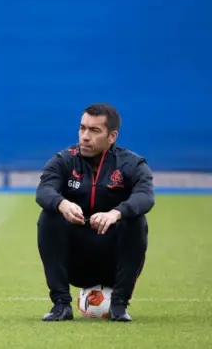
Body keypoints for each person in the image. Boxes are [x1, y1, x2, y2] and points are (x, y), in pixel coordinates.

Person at [35, 103, 154, 322]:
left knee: (136, 221)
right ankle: (61, 305)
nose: (85, 137)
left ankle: (119, 305)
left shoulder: (132, 164)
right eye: (82, 128)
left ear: (112, 136)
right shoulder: (64, 160)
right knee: (48, 217)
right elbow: (44, 191)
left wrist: (116, 213)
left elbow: (145, 196)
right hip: (75, 261)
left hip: (112, 261)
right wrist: (62, 204)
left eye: (94, 130)